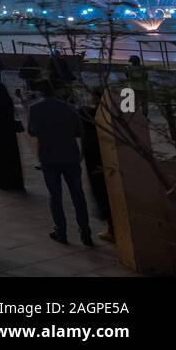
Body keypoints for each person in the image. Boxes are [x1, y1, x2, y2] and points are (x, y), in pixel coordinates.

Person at [26, 81, 93, 246]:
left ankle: (61, 231)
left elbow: (32, 131)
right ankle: (85, 232)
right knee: (78, 195)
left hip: (48, 157)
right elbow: (79, 131)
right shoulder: (70, 108)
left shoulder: (34, 109)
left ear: (41, 93)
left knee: (55, 196)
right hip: (70, 155)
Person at [78, 93, 114, 243]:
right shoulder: (111, 116)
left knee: (103, 194)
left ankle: (112, 229)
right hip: (111, 158)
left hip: (96, 163)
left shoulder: (86, 115)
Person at [0, 82, 25, 191]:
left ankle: (1, 180)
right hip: (8, 135)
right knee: (11, 159)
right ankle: (13, 181)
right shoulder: (8, 102)